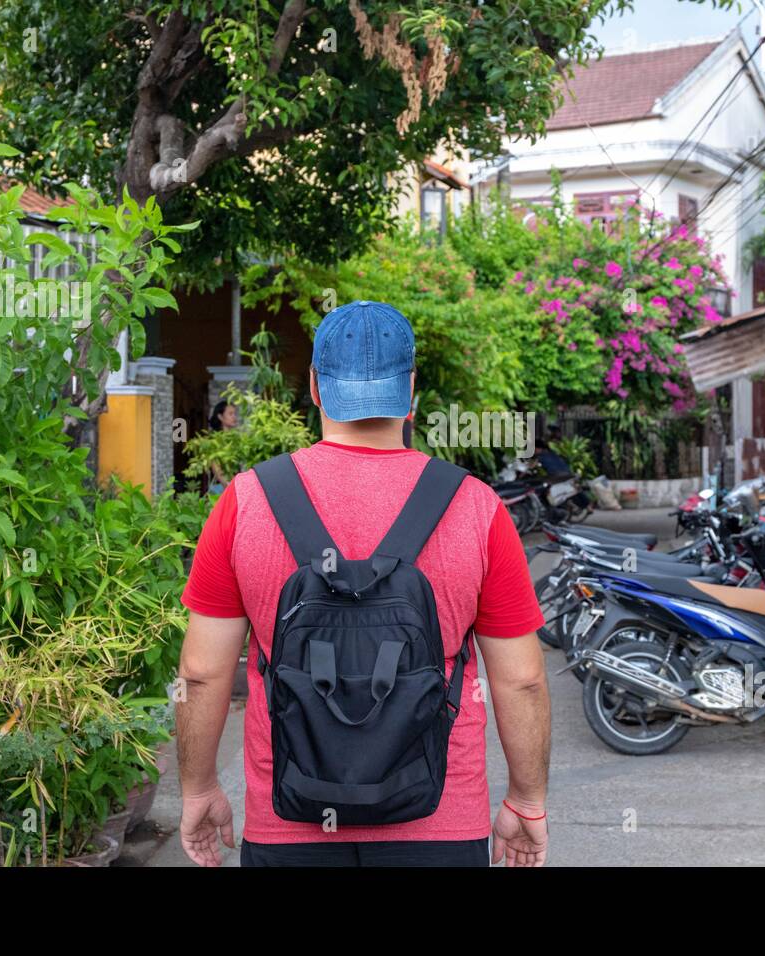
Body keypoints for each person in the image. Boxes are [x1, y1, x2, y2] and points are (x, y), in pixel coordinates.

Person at [176, 300, 552, 867]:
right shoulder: (476, 508)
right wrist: (526, 801)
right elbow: (520, 680)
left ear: (316, 389)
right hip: (438, 829)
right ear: (410, 391)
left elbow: (202, 674)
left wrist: (198, 790)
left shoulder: (245, 502)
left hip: (287, 830)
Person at [206, 400, 239, 494]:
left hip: (235, 485)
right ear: (220, 416)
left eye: (234, 413)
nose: (234, 417)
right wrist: (228, 487)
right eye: (230, 414)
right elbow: (216, 469)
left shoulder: (234, 439)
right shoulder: (214, 440)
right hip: (220, 488)